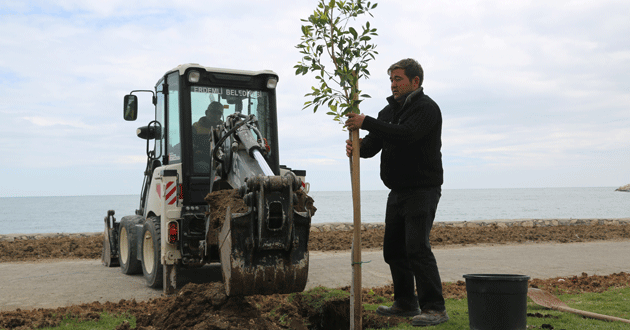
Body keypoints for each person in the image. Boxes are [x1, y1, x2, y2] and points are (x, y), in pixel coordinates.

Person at [345, 58, 448, 327]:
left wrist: (366, 121)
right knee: (393, 250)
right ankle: (405, 302)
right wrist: (357, 146)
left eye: (398, 79)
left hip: (422, 190)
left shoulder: (427, 109)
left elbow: (406, 134)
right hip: (398, 191)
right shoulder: (388, 112)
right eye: (391, 80)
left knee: (417, 249)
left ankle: (435, 308)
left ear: (415, 81)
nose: (394, 84)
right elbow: (373, 145)